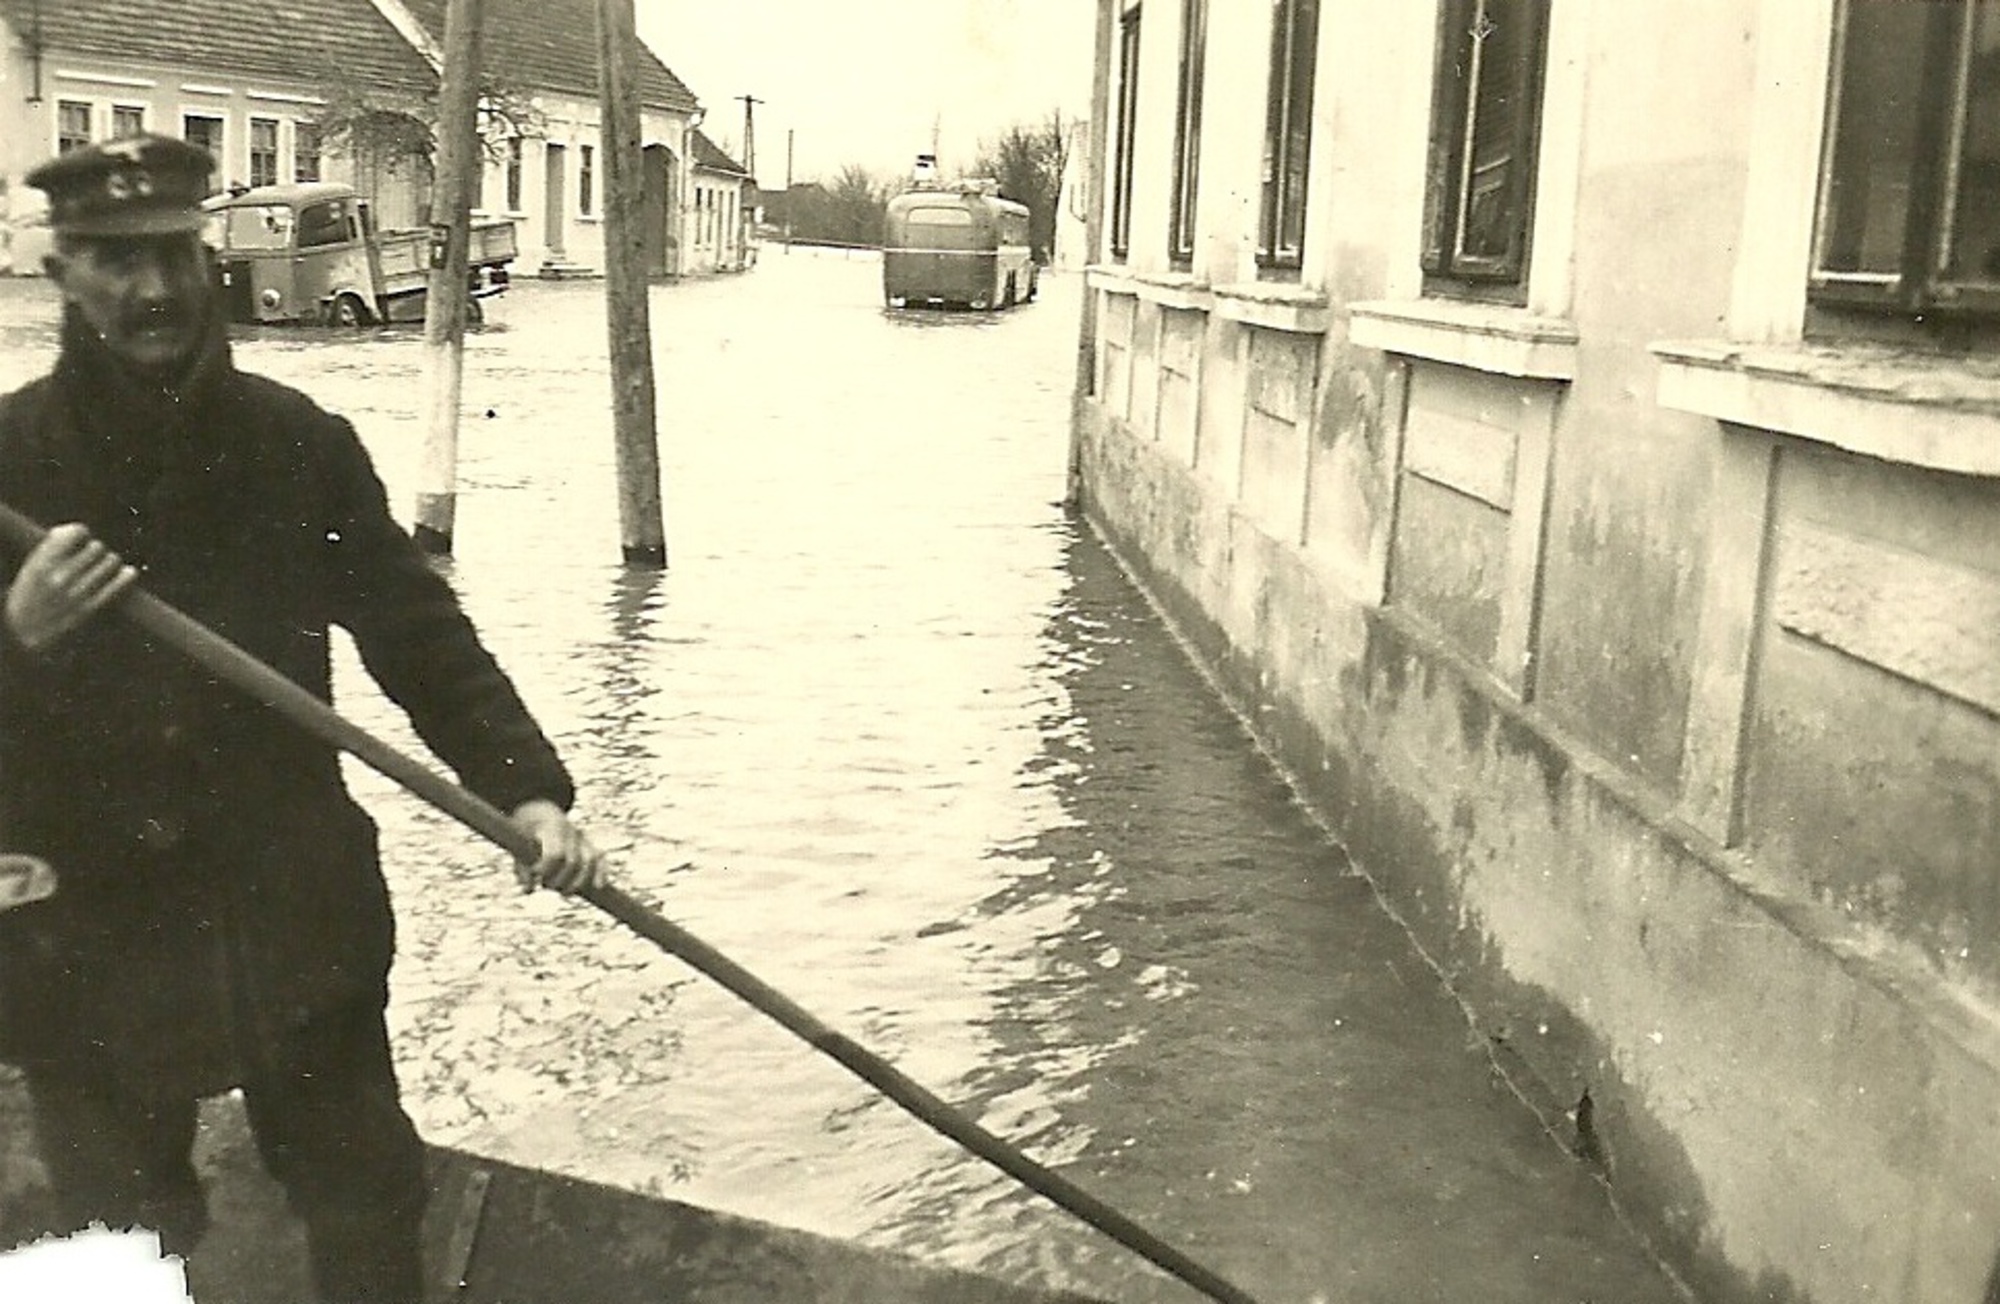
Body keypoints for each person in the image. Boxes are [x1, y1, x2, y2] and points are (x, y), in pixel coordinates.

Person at [0, 134, 605, 1301]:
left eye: (173, 253)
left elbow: (419, 638)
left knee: (365, 1195)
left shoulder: (297, 445)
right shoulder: (10, 462)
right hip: (87, 923)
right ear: (61, 272)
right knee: (113, 1236)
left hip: (288, 906)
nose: (155, 289)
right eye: (117, 261)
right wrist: (16, 632)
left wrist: (528, 793)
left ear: (208, 256)